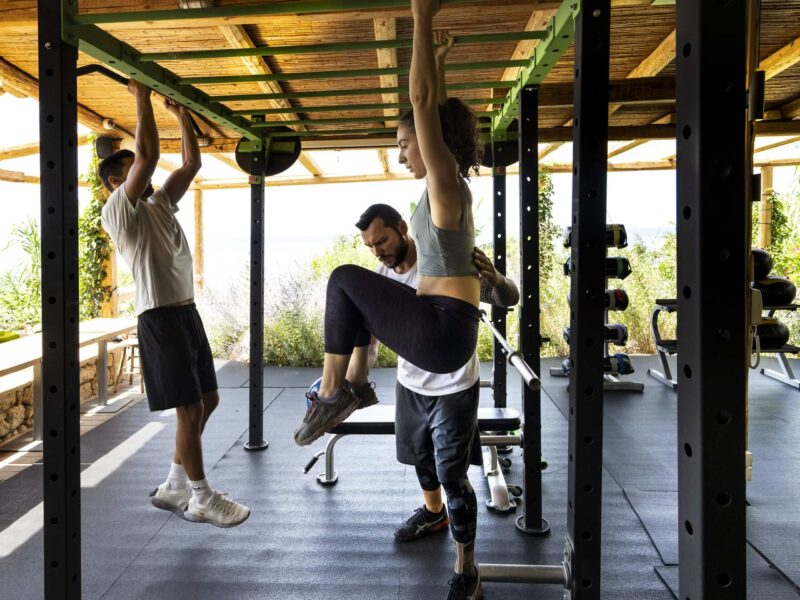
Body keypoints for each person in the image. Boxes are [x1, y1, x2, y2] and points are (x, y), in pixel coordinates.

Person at [294, 2, 490, 594]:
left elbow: (426, 107)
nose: (402, 150)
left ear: (431, 149)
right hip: (436, 327)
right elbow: (437, 111)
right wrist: (441, 60)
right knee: (354, 293)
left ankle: (467, 570)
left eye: (406, 143)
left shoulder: (446, 184)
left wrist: (421, 20)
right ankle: (348, 386)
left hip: (446, 328)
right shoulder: (438, 194)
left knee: (343, 281)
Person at [99, 80, 249, 528]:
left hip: (185, 312)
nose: (142, 175)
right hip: (159, 317)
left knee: (209, 399)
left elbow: (191, 162)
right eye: (131, 171)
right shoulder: (117, 211)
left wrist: (181, 112)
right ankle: (200, 496)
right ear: (115, 181)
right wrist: (141, 98)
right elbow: (146, 156)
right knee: (191, 408)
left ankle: (173, 484)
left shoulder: (160, 203)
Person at [353, 202, 518, 597]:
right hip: (410, 384)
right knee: (420, 460)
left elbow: (508, 298)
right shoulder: (382, 276)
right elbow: (372, 341)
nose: (378, 251)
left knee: (452, 476)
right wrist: (350, 384)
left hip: (454, 387)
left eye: (383, 241)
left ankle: (466, 570)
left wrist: (494, 275)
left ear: (403, 228)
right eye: (370, 246)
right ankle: (433, 514)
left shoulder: (444, 266)